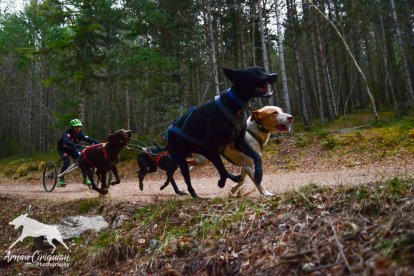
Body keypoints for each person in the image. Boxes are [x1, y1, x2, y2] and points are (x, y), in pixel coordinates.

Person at [57, 119, 100, 187]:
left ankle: (85, 179)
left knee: (82, 161)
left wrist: (99, 144)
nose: (78, 129)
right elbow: (65, 141)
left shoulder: (80, 134)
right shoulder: (67, 133)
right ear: (72, 127)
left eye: (79, 127)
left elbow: (89, 139)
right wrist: (75, 145)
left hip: (72, 149)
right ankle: (61, 179)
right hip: (63, 149)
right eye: (76, 127)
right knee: (67, 162)